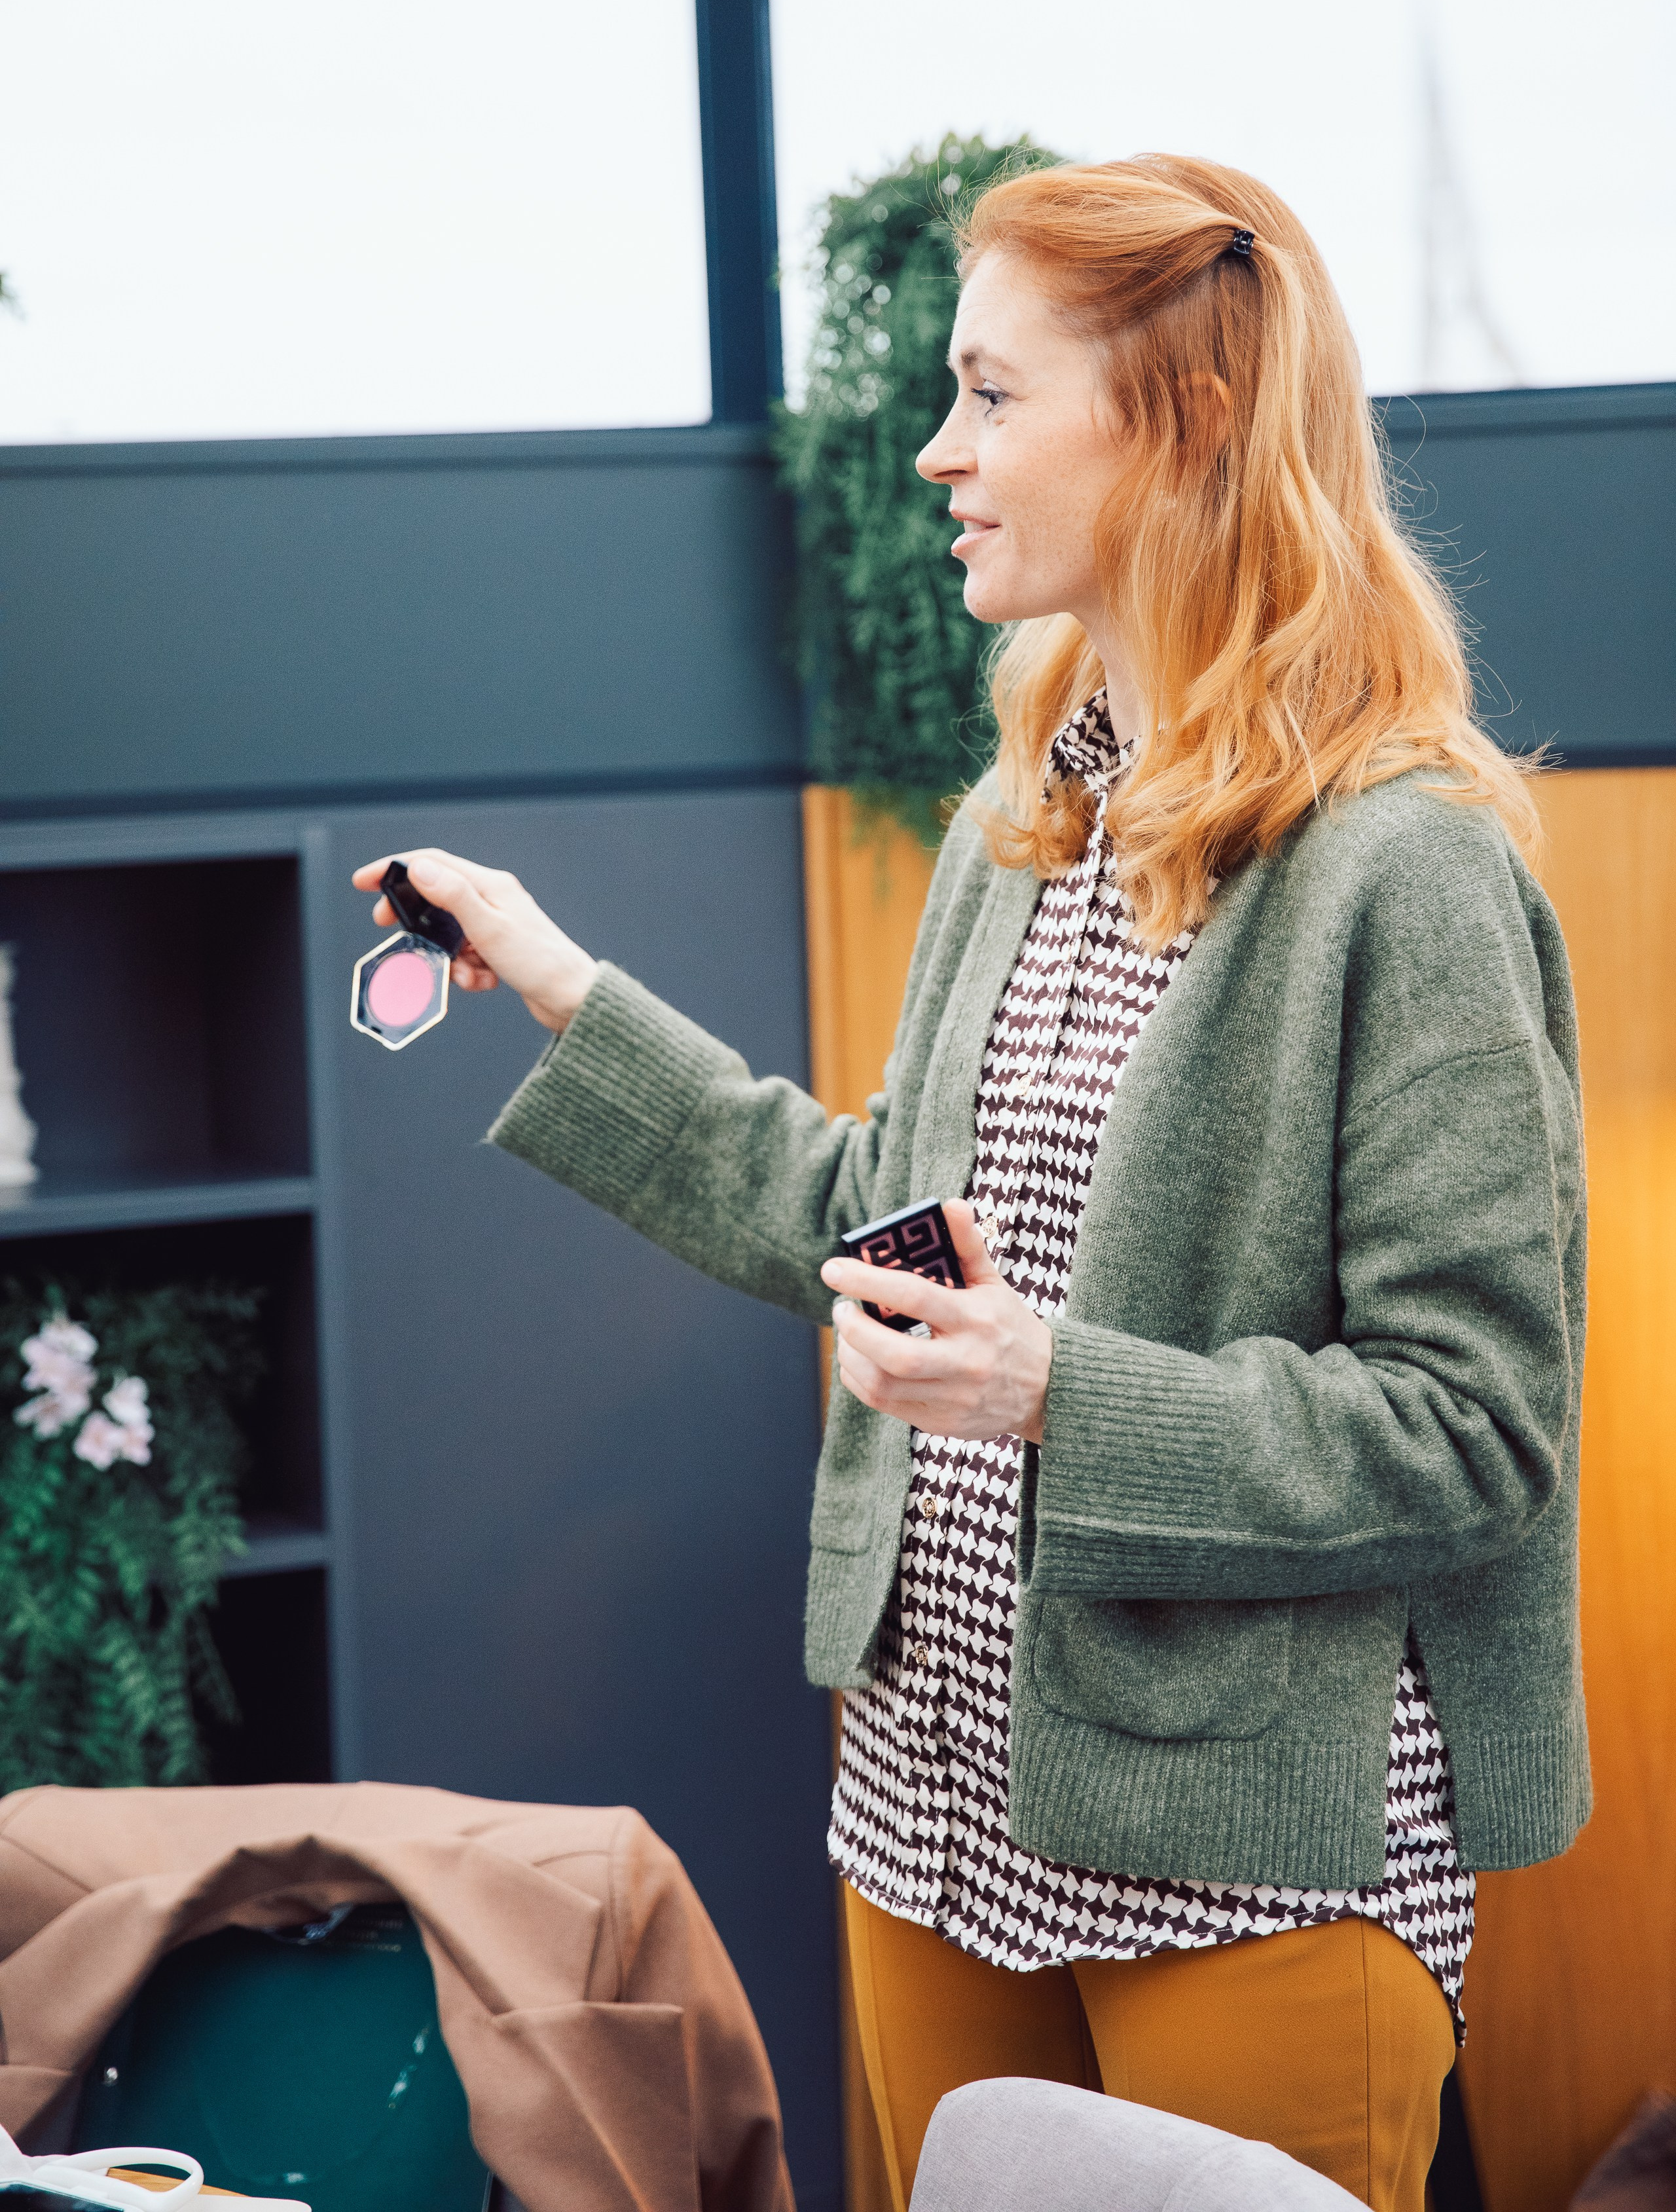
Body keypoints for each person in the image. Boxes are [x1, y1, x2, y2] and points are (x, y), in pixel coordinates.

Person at [353, 156, 1586, 2212]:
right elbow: (892, 1229)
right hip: (933, 1820)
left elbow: (1476, 1434)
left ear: (1188, 422)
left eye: (992, 394)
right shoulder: (1027, 826)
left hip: (1249, 1859)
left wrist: (1049, 1390)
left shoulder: (1409, 868)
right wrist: (562, 988)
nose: (938, 449)